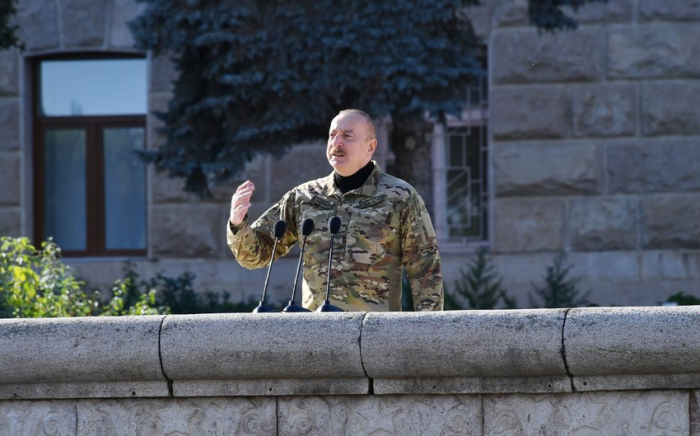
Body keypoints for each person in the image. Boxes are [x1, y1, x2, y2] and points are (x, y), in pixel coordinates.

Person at [227, 109, 443, 311]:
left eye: (347, 136)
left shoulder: (399, 196)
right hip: (316, 335)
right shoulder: (305, 197)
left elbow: (426, 269)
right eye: (332, 135)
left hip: (374, 336)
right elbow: (255, 255)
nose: (337, 143)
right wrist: (238, 224)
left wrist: (426, 336)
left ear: (371, 146)